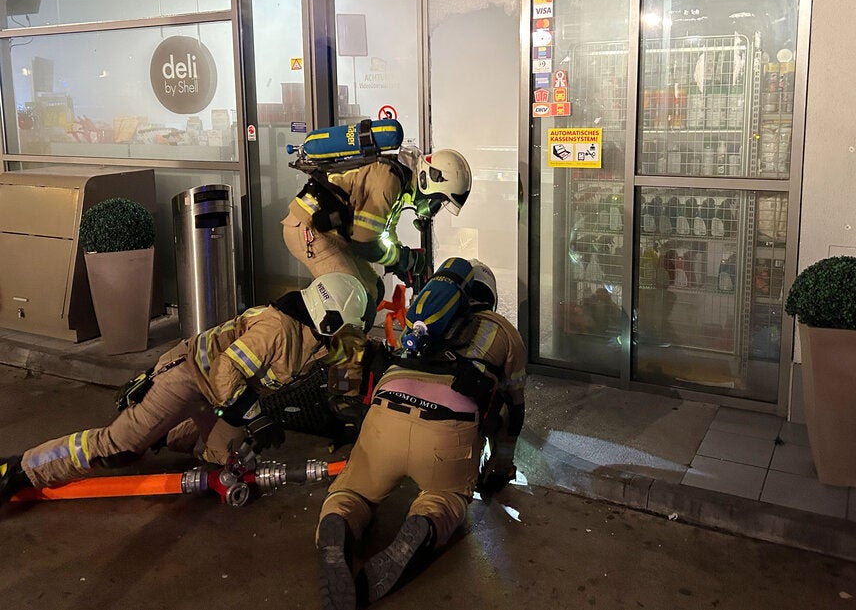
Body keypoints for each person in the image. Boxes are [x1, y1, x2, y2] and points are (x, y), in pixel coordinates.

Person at [0, 272, 369, 502]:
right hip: (190, 378)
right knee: (120, 447)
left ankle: (166, 432)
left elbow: (344, 363)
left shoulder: (320, 338)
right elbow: (225, 371)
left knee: (227, 457)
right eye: (345, 325)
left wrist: (347, 415)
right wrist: (256, 418)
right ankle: (23, 468)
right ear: (329, 318)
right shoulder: (277, 329)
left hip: (219, 397)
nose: (347, 333)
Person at [314, 260, 527, 610]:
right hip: (446, 431)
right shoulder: (502, 332)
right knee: (445, 497)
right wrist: (500, 468)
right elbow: (514, 413)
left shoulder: (422, 323)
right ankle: (425, 520)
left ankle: (339, 521)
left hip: (385, 417)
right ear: (489, 297)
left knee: (353, 491)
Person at [281, 145, 472, 326]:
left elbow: (384, 232)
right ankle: (331, 353)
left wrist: (402, 262)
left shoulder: (401, 182)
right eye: (437, 202)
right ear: (429, 179)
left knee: (374, 289)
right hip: (309, 231)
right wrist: (402, 258)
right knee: (357, 307)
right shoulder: (388, 181)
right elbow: (365, 244)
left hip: (332, 235)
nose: (433, 209)